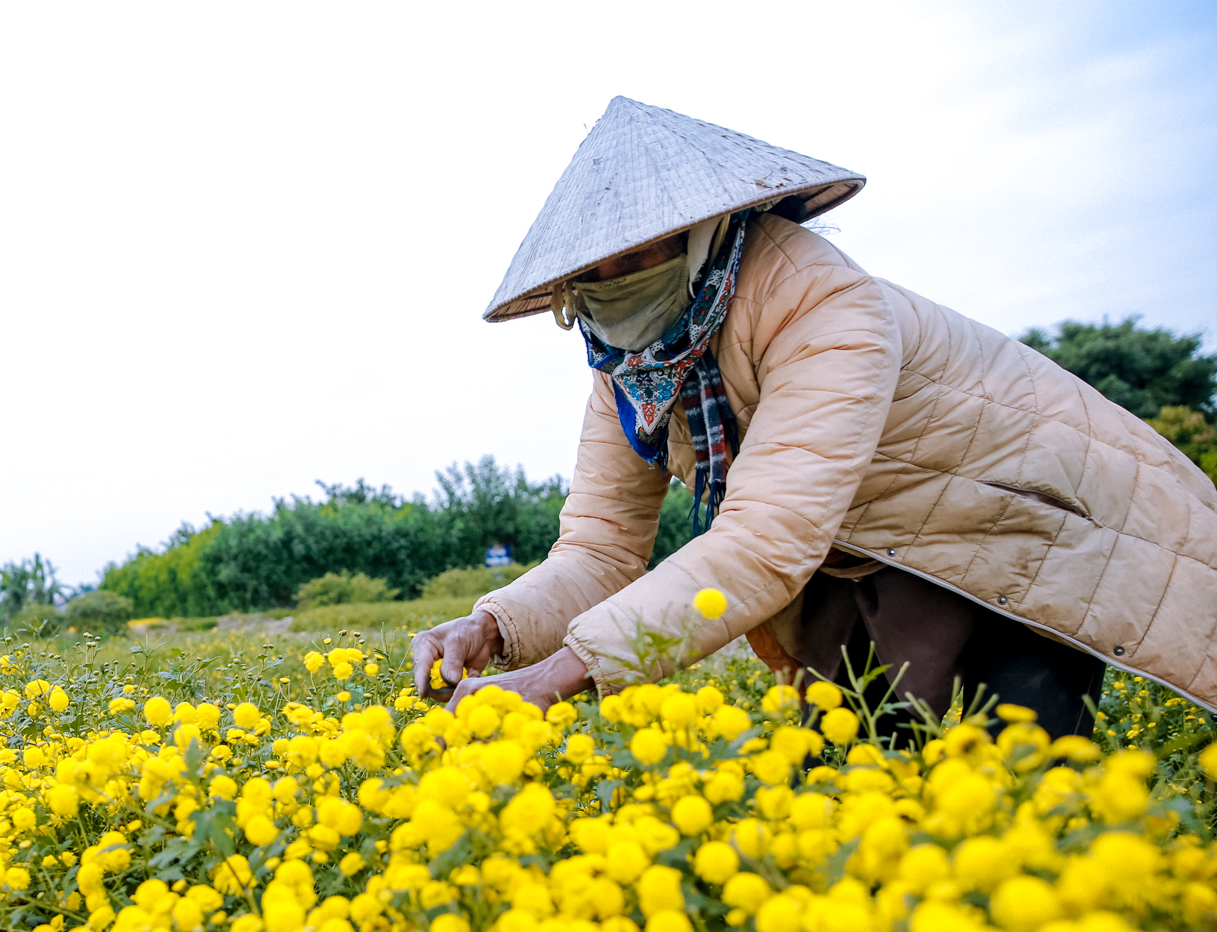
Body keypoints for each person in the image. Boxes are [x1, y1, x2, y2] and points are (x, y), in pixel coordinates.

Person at [414, 97, 1217, 737]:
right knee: (865, 804)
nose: (617, 280)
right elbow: (598, 546)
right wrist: (494, 627)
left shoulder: (825, 304)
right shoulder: (633, 367)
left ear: (698, 237)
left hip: (1015, 537)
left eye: (638, 255)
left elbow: (767, 534)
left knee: (1019, 796)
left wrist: (560, 675)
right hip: (862, 566)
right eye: (595, 270)